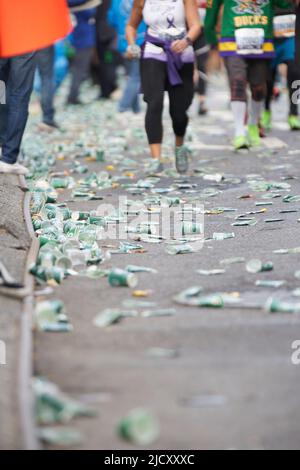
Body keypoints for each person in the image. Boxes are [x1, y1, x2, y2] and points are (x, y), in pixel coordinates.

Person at [126, 0, 201, 174]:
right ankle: (155, 158)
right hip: (153, 52)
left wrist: (186, 41)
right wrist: (132, 44)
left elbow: (196, 25)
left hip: (181, 54)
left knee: (179, 111)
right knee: (154, 103)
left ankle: (179, 146)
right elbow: (131, 25)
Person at [205, 0, 288, 151]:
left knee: (258, 88)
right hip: (232, 39)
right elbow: (212, 8)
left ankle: (253, 124)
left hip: (262, 41)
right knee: (237, 83)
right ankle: (239, 132)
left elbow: (284, 4)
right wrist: (211, 36)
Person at [261, 6, 300, 132]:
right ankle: (266, 110)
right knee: (269, 76)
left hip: (291, 36)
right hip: (270, 36)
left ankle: (294, 113)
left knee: (295, 71)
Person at [0, 53, 37, 175]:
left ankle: (1, 142)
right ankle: (8, 158)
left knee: (1, 88)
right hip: (23, 40)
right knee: (20, 95)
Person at [108, 0, 147, 114]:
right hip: (139, 41)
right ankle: (122, 106)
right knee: (136, 77)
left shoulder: (115, 2)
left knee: (131, 76)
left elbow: (111, 19)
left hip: (122, 42)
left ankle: (136, 108)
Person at [67, 7, 97, 105]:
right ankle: (72, 96)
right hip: (82, 41)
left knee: (78, 71)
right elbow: (90, 13)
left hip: (78, 40)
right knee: (79, 71)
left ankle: (73, 96)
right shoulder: (80, 5)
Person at [96, 0, 118, 100]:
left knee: (106, 64)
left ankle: (107, 90)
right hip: (107, 37)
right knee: (108, 64)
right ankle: (109, 88)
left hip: (104, 37)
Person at [36, 45, 59, 131]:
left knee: (12, 81)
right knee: (47, 77)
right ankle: (47, 118)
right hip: (43, 41)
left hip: (20, 41)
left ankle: (6, 124)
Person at [195, 0, 210, 115]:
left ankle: (201, 100)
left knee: (202, 67)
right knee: (185, 67)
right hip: (184, 34)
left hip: (203, 36)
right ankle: (184, 101)